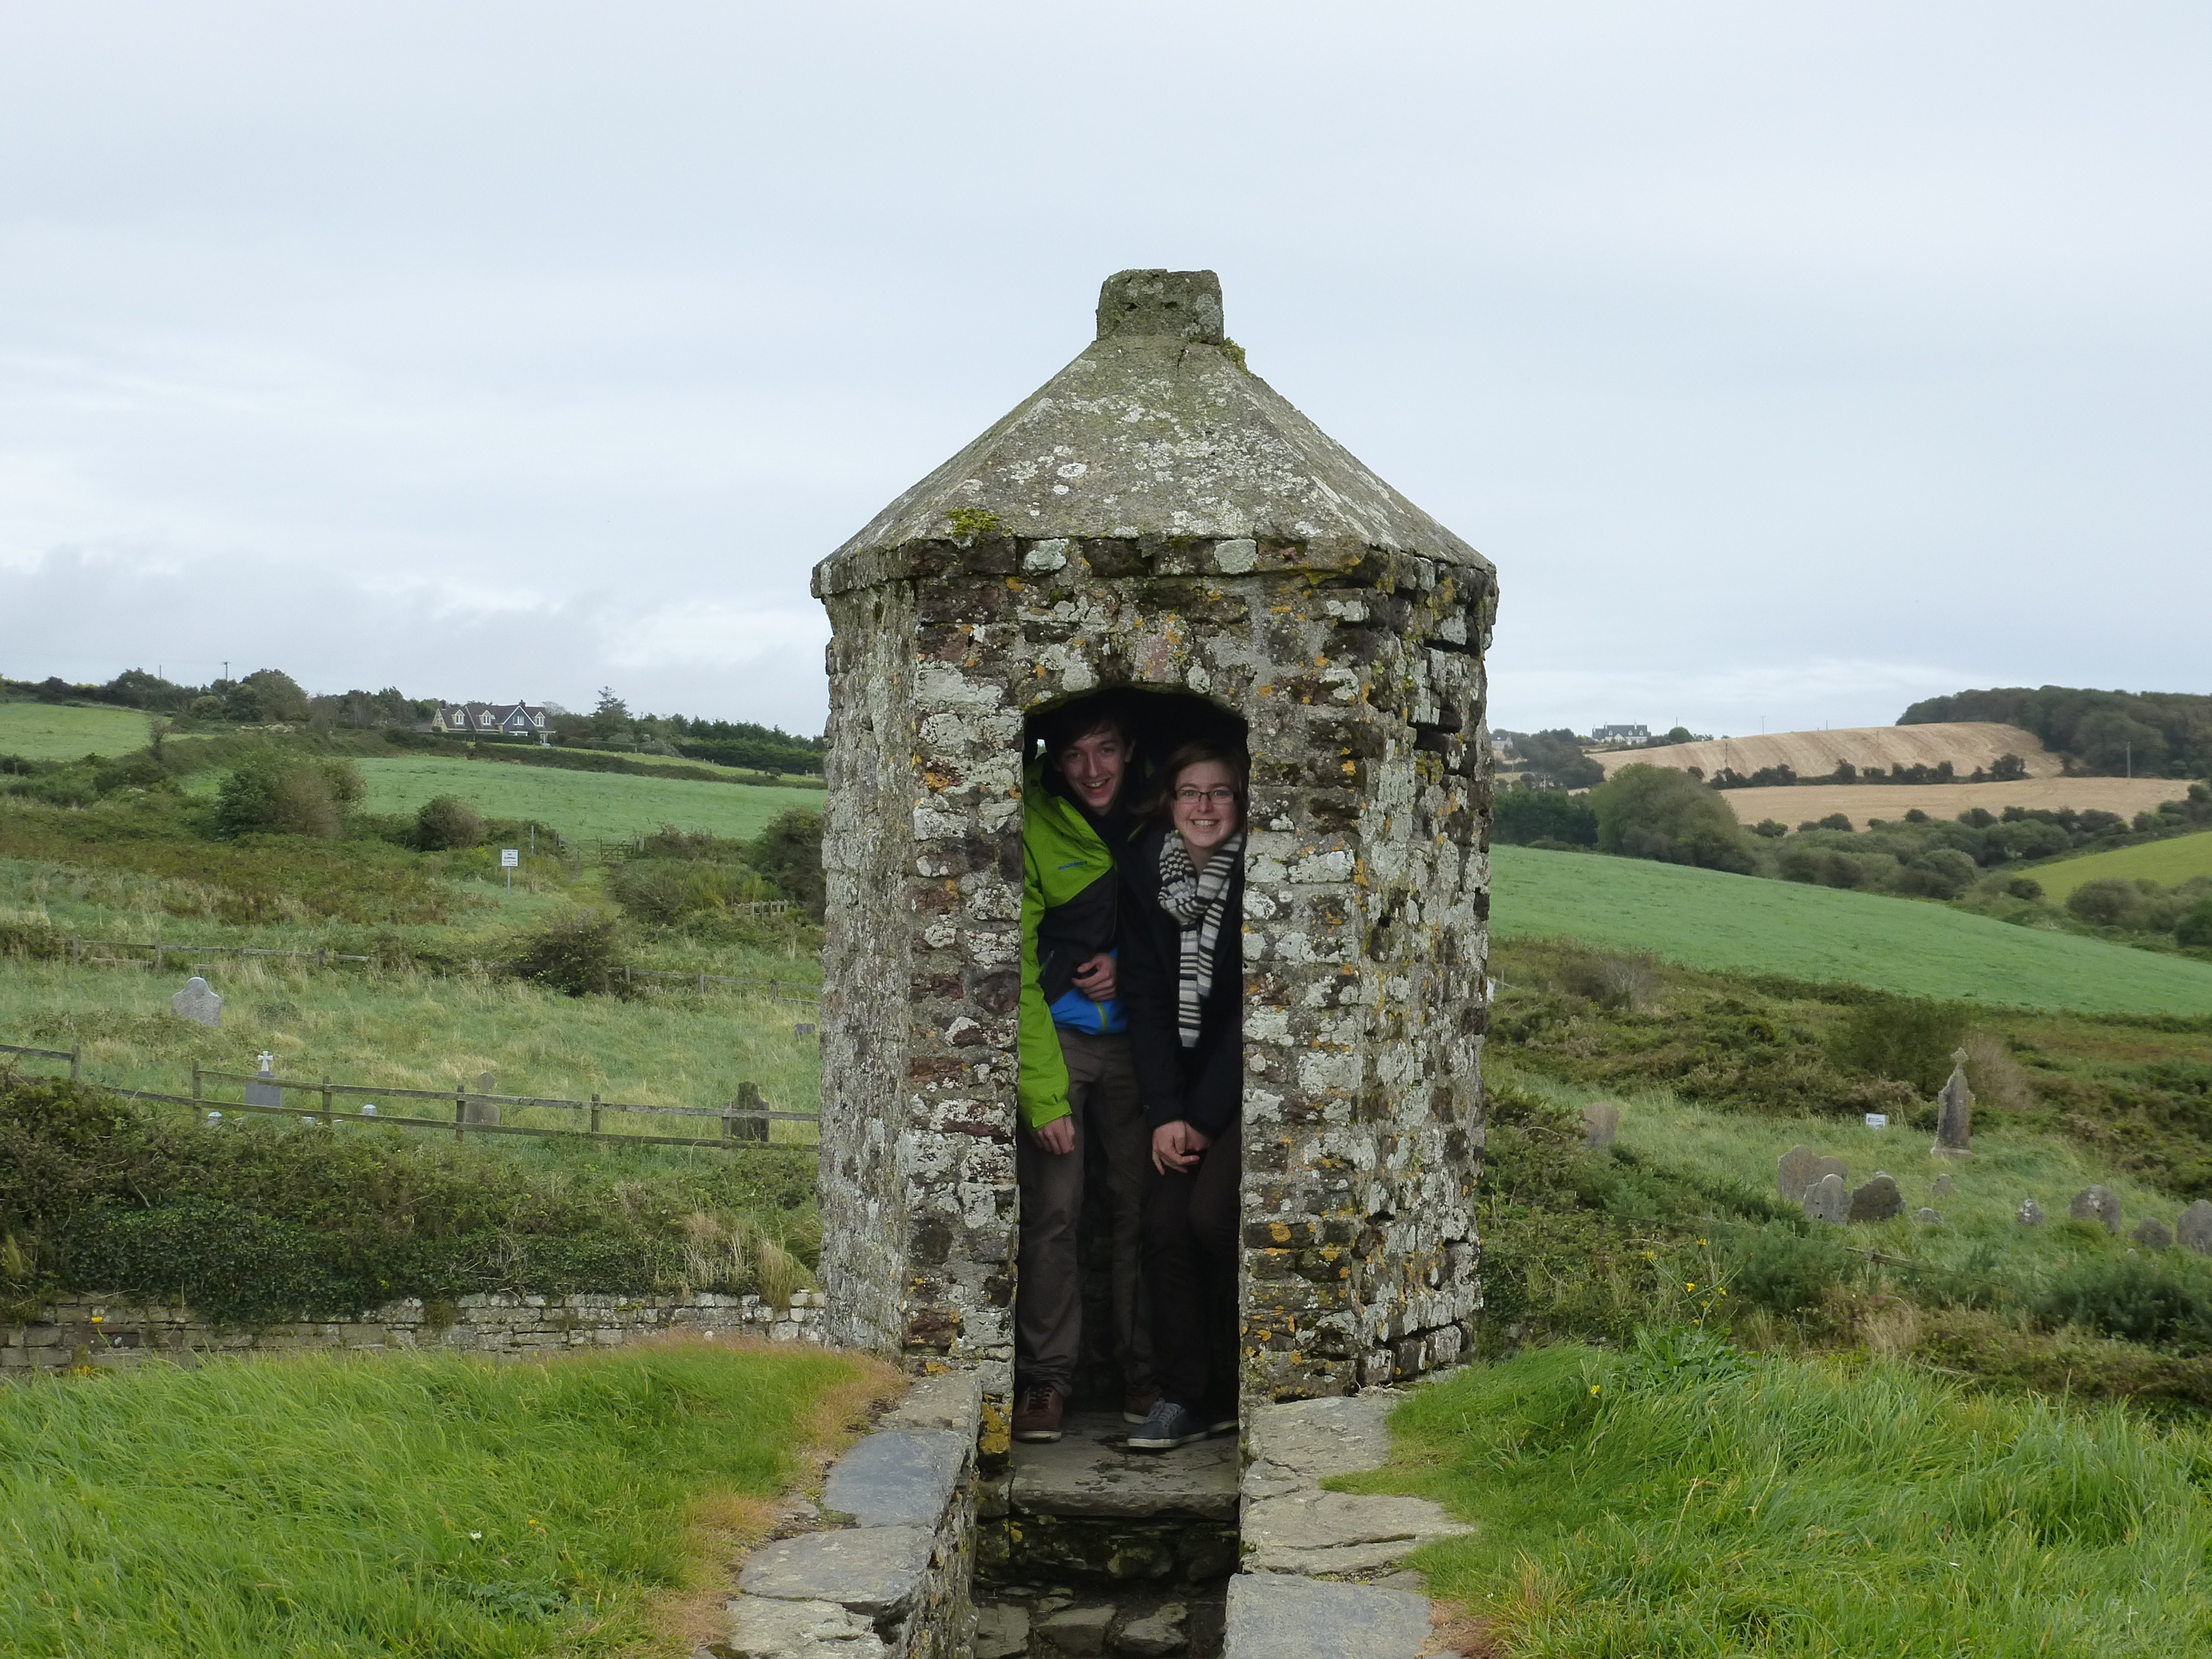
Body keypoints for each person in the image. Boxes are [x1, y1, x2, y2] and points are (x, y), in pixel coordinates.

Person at [1012, 699, 1159, 1443]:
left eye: (1105, 749)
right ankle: (1047, 1381)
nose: (1092, 769)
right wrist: (1044, 1096)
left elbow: (1189, 924)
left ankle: (1148, 1376)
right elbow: (1016, 961)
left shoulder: (1162, 812)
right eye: (1074, 754)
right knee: (1054, 1211)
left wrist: (1128, 970)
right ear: (1053, 759)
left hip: (1144, 1045)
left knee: (1145, 1207)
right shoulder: (1031, 820)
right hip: (1059, 1040)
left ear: (1129, 749)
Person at [1117, 739, 1247, 1452]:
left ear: (1241, 802)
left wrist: (1202, 1118)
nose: (1204, 806)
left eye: (1220, 792)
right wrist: (1166, 1113)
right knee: (1163, 1226)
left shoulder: (1261, 876)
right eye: (1190, 792)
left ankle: (1235, 1385)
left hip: (1250, 1089)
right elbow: (1145, 998)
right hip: (1181, 1093)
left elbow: (1249, 1012)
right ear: (1169, 802)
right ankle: (1185, 1399)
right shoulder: (1147, 871)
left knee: (1212, 1219)